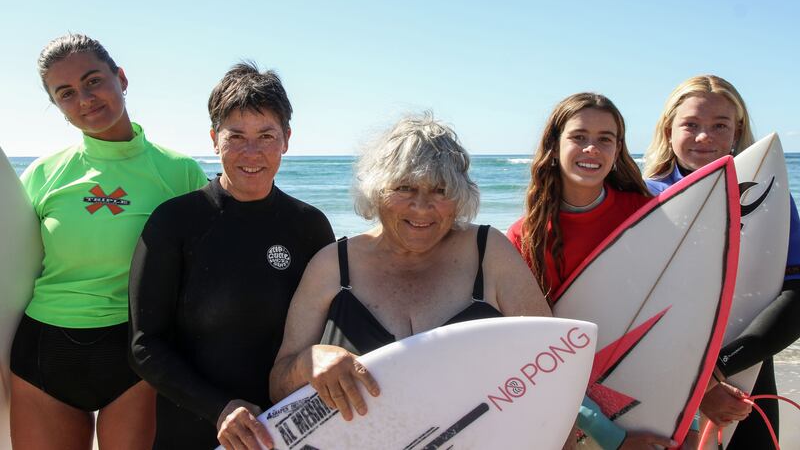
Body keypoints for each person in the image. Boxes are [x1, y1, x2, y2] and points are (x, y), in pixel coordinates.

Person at [269, 113, 552, 436]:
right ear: (377, 191)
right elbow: (278, 389)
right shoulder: (332, 265)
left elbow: (553, 361)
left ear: (459, 196)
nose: (421, 207)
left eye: (439, 190)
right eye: (404, 188)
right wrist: (309, 362)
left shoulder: (490, 253)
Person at [9, 34, 208, 449]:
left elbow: (210, 262)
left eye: (93, 81)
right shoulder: (45, 174)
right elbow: (10, 263)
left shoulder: (179, 172)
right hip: (46, 351)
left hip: (137, 355)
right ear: (58, 107)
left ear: (121, 78)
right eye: (66, 93)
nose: (84, 99)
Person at [128, 62, 335, 450]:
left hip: (288, 428)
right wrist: (218, 408)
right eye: (236, 136)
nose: (251, 152)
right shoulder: (175, 222)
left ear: (287, 139)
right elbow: (145, 345)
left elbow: (331, 327)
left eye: (266, 135)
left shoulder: (310, 226)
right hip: (192, 428)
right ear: (213, 138)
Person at [506, 93, 680, 450]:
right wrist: (609, 437)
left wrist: (689, 411)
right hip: (571, 405)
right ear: (554, 146)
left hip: (651, 390)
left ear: (618, 150)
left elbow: (677, 317)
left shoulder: (648, 214)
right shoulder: (523, 237)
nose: (591, 149)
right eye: (579, 137)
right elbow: (533, 352)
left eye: (605, 139)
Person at [643, 74, 800, 448]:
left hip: (747, 374)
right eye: (691, 124)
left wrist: (718, 372)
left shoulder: (769, 198)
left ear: (738, 129)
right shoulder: (639, 198)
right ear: (668, 128)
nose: (704, 137)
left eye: (719, 125)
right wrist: (694, 384)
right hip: (656, 382)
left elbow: (796, 295)